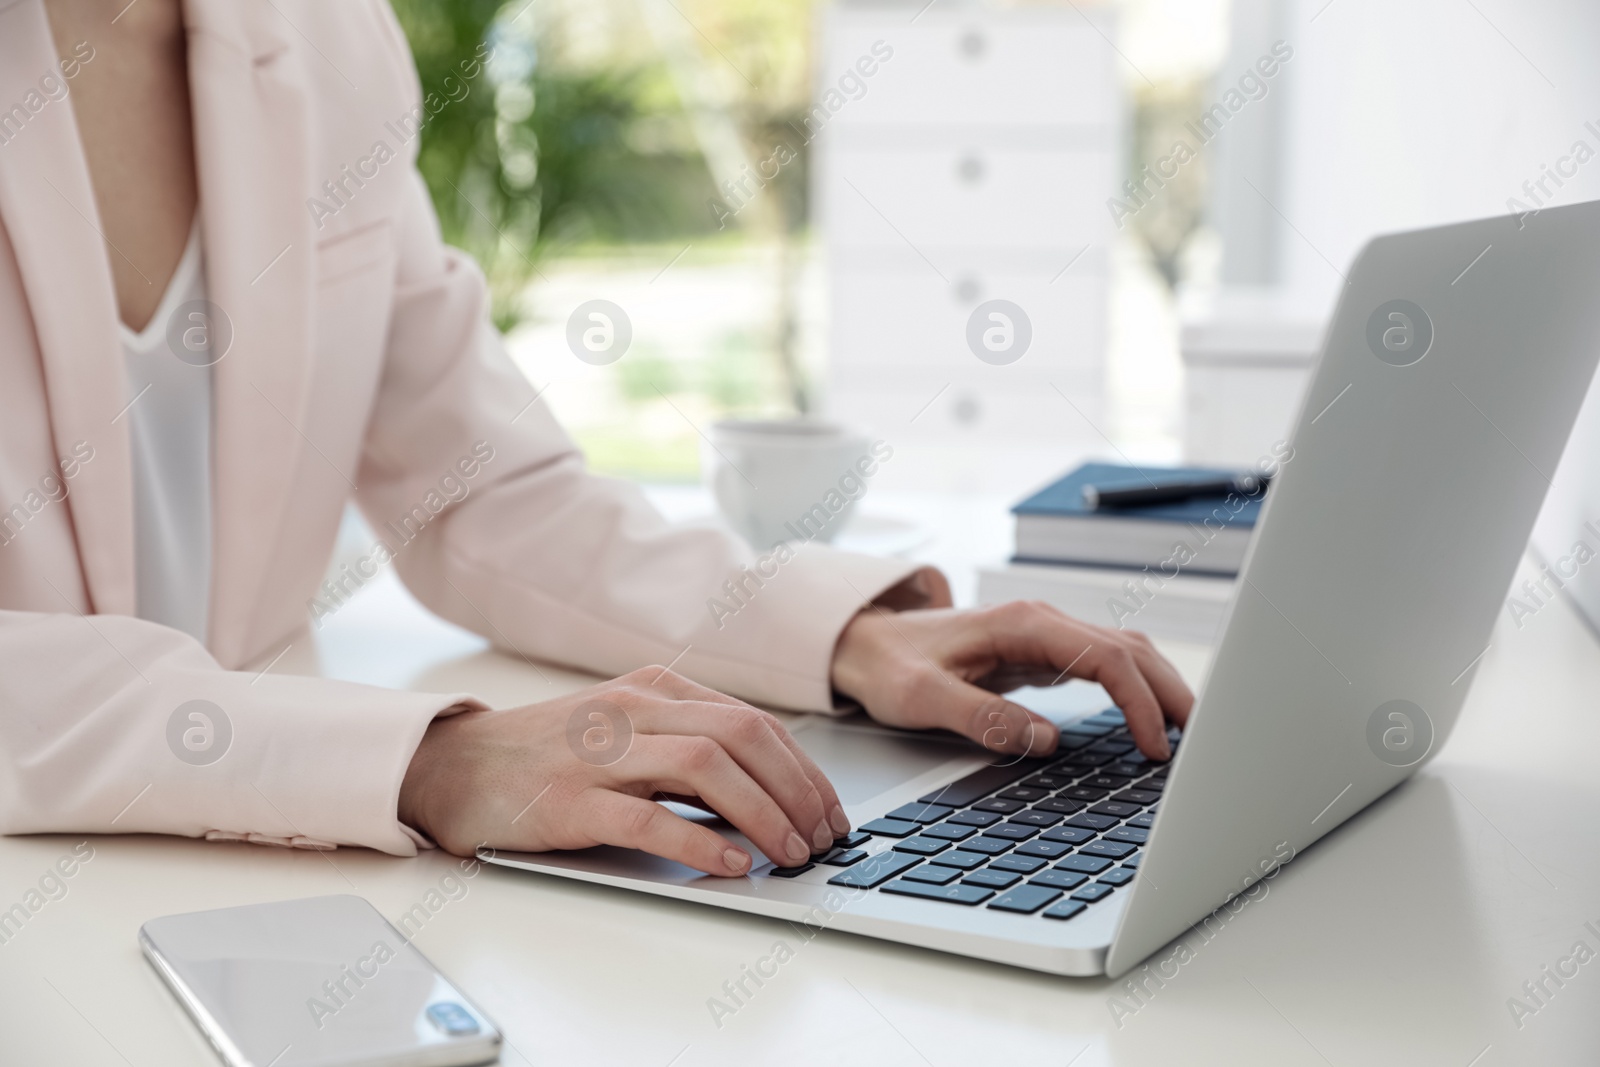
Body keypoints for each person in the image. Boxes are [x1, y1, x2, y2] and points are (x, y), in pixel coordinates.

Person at [0, 0, 1191, 876]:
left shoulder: (319, 43)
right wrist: (425, 758)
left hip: (237, 868)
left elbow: (485, 495)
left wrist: (846, 633)